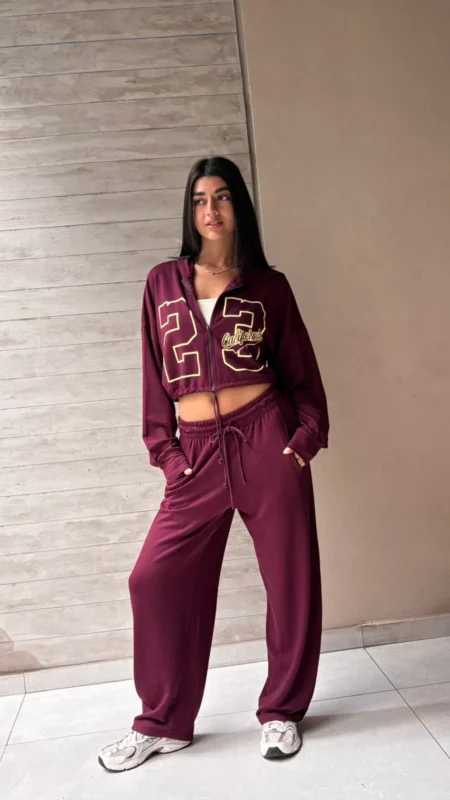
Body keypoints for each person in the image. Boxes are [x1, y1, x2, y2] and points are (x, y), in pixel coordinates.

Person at [99, 156, 329, 771]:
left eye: (222, 197)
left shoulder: (268, 286)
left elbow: (302, 372)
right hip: (195, 451)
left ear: (238, 206)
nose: (211, 210)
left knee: (291, 583)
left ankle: (281, 711)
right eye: (200, 199)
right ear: (190, 211)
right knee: (153, 579)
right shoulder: (162, 283)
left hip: (265, 438)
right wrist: (167, 453)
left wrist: (302, 441)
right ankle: (164, 722)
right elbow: (153, 375)